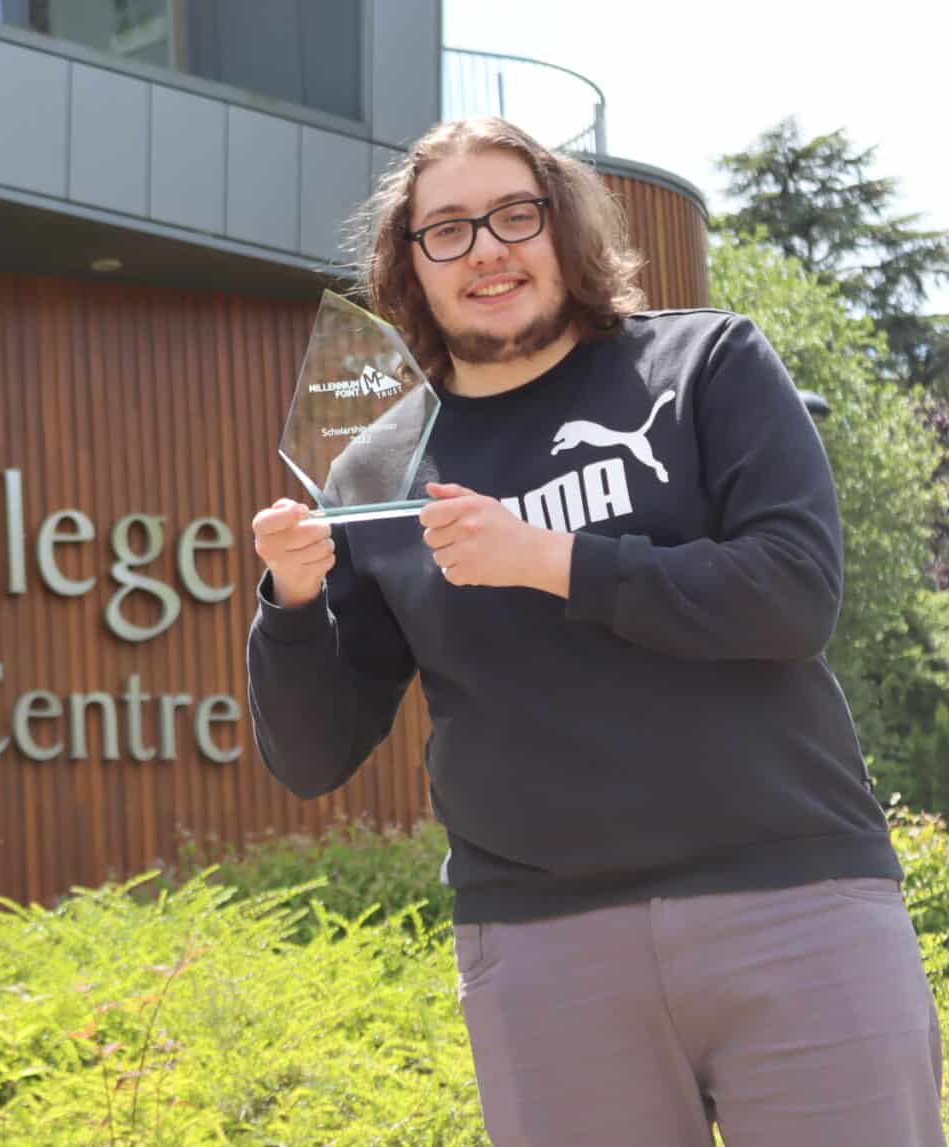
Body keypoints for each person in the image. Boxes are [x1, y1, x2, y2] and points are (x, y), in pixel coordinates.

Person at [245, 116, 946, 1146]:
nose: (484, 247)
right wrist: (290, 605)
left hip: (790, 898)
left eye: (512, 215)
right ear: (409, 268)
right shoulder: (373, 470)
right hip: (541, 945)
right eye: (445, 229)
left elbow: (792, 595)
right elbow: (312, 756)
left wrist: (548, 559)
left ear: (561, 228)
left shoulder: (702, 363)